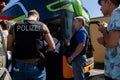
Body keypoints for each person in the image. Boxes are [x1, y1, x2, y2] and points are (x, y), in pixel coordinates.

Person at [7, 10, 55, 80]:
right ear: (37, 18)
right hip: (36, 65)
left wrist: (19, 50)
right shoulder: (42, 26)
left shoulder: (14, 26)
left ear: (28, 16)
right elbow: (52, 47)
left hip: (19, 65)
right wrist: (43, 50)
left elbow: (9, 47)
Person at [97, 0, 120, 80]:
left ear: (108, 2)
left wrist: (103, 30)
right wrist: (104, 42)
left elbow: (111, 43)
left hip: (116, 74)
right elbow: (115, 46)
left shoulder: (117, 13)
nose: (100, 9)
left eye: (101, 5)